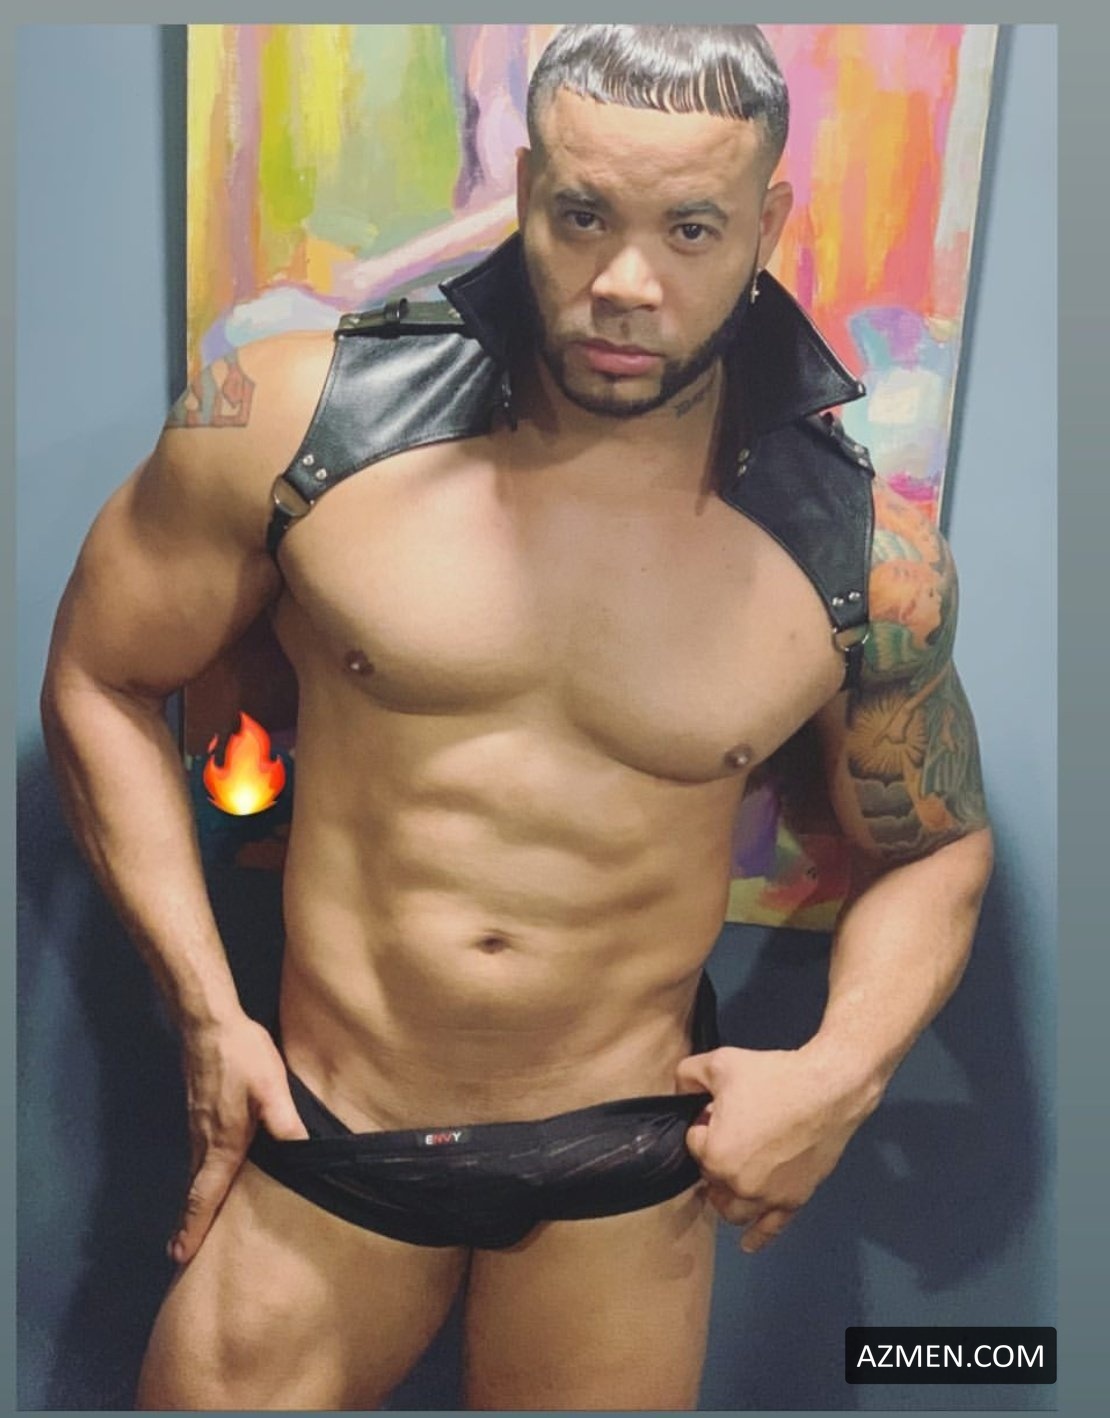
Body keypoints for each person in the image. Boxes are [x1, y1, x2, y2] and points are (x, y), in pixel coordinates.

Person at [40, 24, 993, 1412]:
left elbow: (936, 846)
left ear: (766, 225)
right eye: (584, 215)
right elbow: (102, 674)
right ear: (530, 186)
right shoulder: (298, 420)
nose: (625, 283)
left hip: (623, 1156)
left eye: (690, 228)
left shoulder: (858, 551)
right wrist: (202, 1007)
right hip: (331, 1118)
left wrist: (839, 1077)